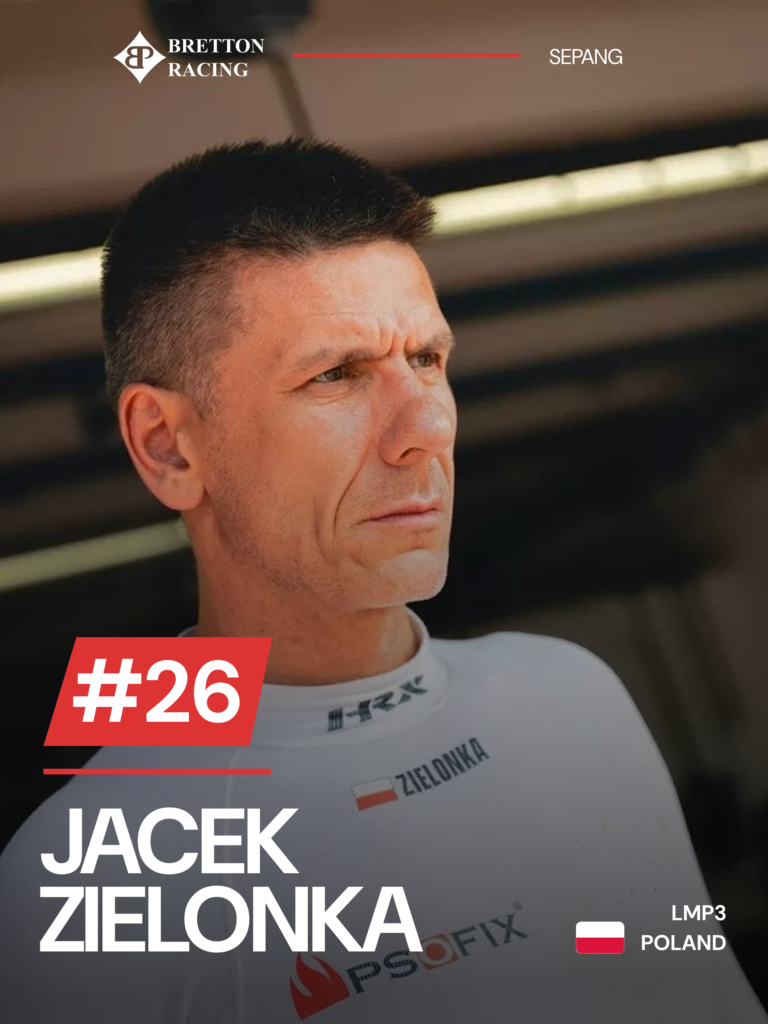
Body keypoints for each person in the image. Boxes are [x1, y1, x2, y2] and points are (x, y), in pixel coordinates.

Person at [0, 137, 765, 1023]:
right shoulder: (76, 885)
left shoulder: (571, 696)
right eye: (335, 375)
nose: (426, 428)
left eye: (428, 360)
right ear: (168, 447)